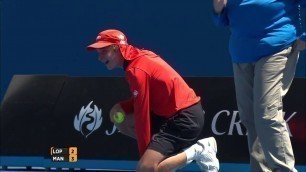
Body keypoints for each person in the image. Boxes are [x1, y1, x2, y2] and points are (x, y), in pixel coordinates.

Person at [86, 29, 219, 172]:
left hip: (185, 118)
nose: (99, 57)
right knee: (121, 122)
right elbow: (147, 97)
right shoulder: (137, 58)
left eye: (103, 51)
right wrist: (122, 106)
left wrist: (145, 159)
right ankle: (161, 155)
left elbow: (142, 117)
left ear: (116, 48)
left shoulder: (136, 71)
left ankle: (200, 149)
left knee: (147, 169)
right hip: (170, 115)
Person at [212, 0, 306, 172]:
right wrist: (219, 9)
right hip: (241, 52)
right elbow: (222, 21)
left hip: (277, 46)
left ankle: (284, 169)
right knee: (250, 117)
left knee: (266, 114)